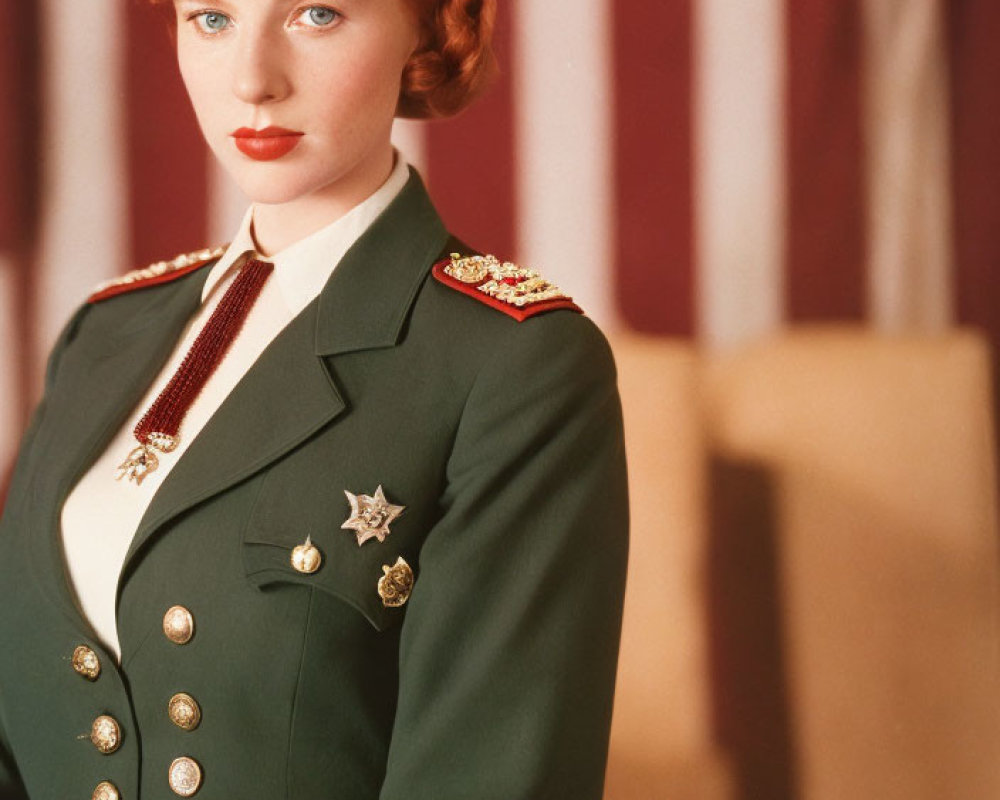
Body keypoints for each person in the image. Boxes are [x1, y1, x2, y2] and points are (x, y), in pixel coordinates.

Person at [0, 1, 629, 797]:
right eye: (213, 18)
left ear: (430, 30)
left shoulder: (514, 366)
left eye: (317, 13)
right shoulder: (102, 334)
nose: (253, 80)